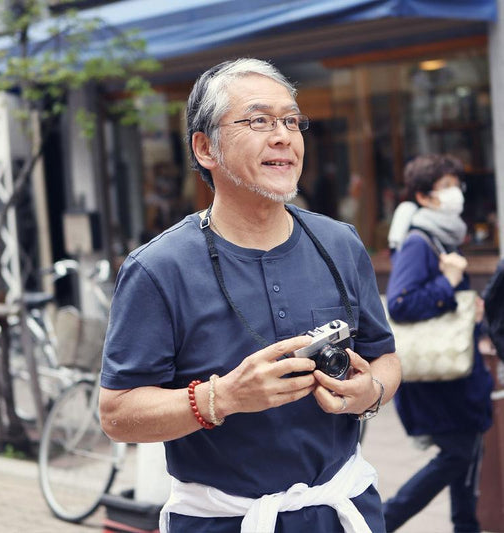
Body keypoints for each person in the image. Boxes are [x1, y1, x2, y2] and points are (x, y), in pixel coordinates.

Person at [99, 58, 401, 533]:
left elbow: (385, 358)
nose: (283, 135)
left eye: (290, 120)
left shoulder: (340, 242)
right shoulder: (158, 268)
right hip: (223, 521)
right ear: (205, 148)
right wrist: (225, 397)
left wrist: (370, 391)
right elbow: (117, 415)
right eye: (258, 120)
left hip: (345, 509)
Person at [383, 154, 493, 532]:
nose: (455, 195)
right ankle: (381, 520)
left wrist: (467, 307)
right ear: (424, 197)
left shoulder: (444, 235)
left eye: (455, 186)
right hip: (440, 380)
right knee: (458, 454)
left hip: (457, 374)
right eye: (445, 188)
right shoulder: (419, 241)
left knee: (465, 456)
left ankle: (466, 526)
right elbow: (399, 303)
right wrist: (447, 283)